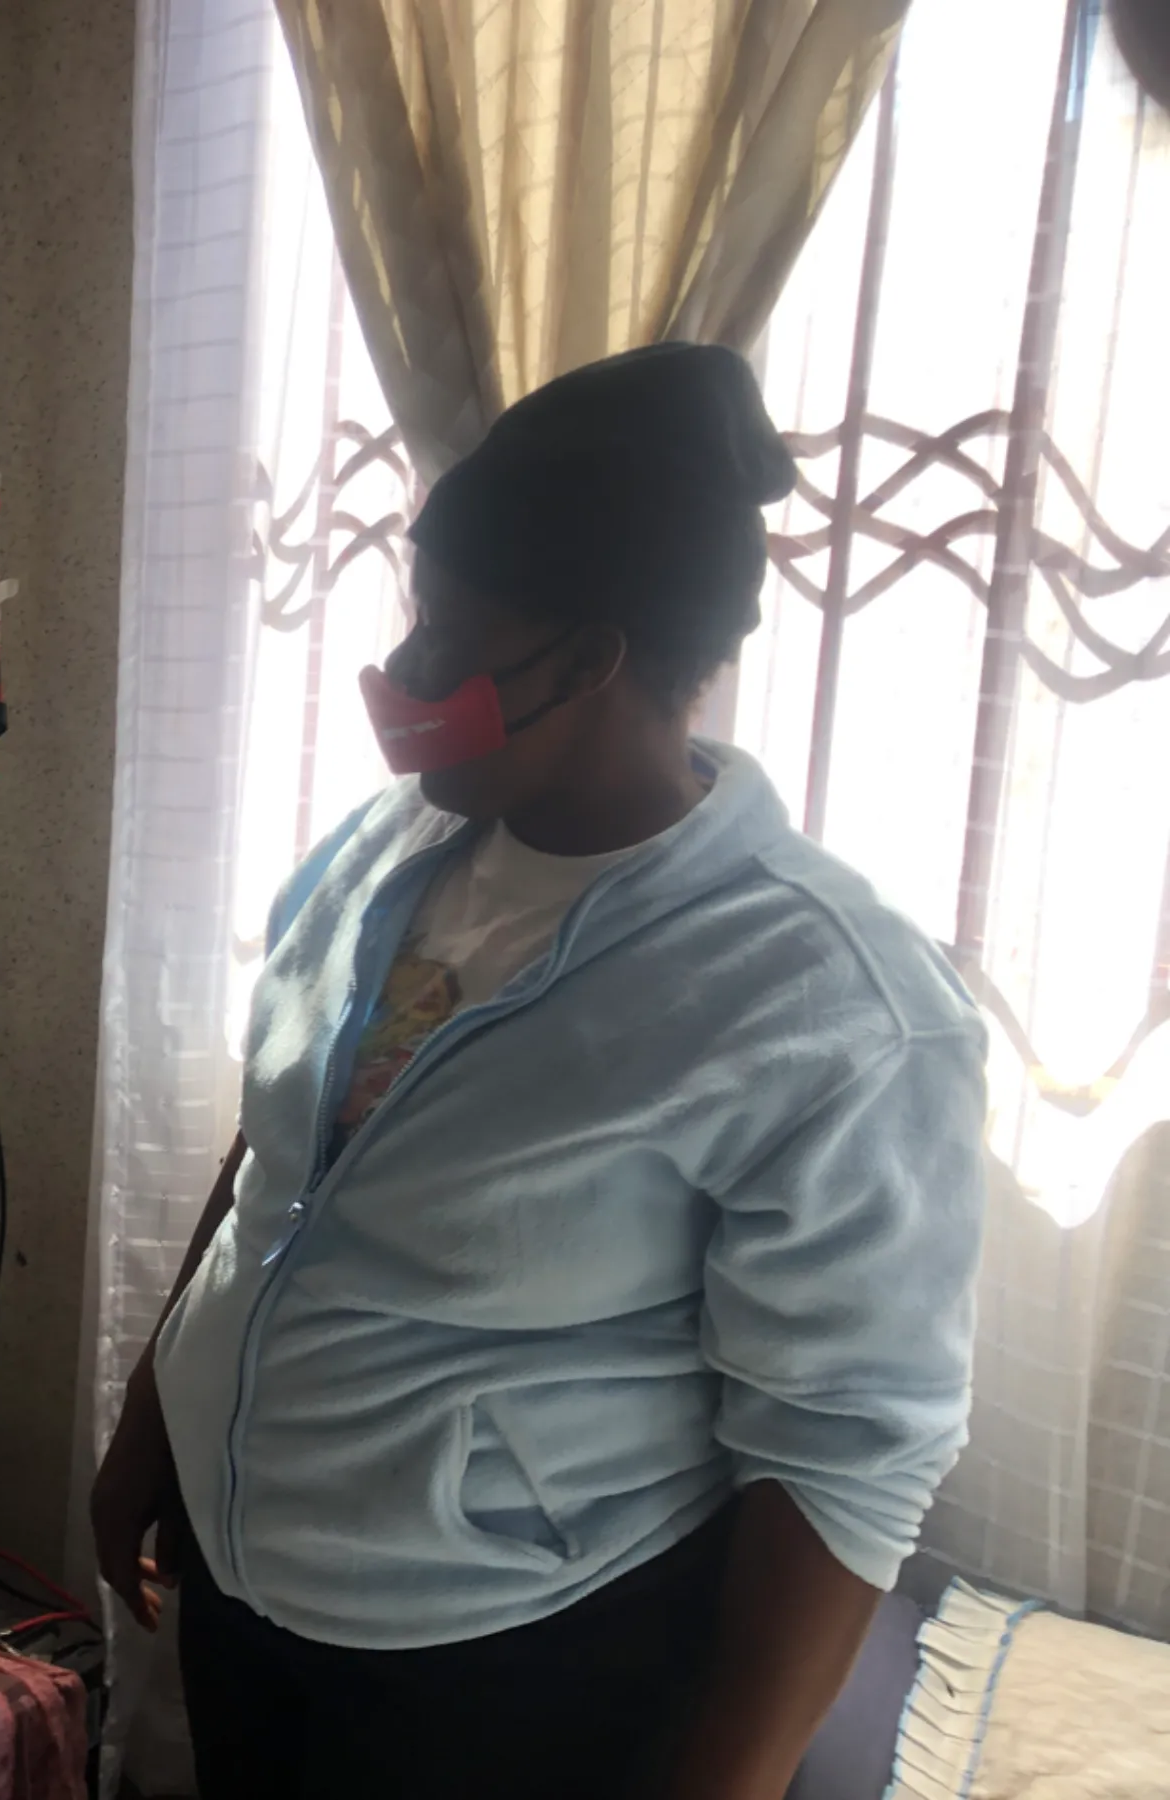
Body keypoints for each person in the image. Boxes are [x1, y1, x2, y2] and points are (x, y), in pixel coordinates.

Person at [89, 344, 987, 1800]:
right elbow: (282, 1159)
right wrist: (154, 1425)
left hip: (501, 1667)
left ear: (592, 659)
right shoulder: (388, 852)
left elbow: (845, 1453)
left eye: (449, 643)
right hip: (252, 1598)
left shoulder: (824, 1002)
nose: (404, 679)